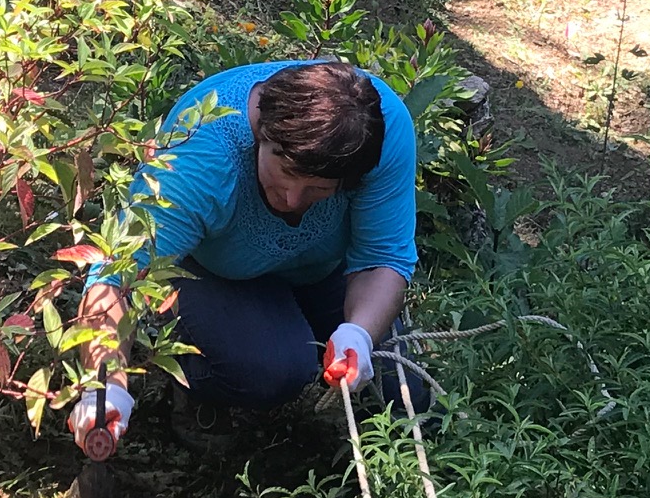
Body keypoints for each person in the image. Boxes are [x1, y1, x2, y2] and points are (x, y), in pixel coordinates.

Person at [67, 58, 419, 451]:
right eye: (283, 174)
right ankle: (197, 381)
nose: (292, 200)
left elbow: (382, 258)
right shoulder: (202, 158)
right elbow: (116, 277)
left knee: (407, 395)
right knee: (271, 369)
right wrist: (106, 386)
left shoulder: (380, 134)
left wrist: (359, 333)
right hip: (212, 271)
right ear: (262, 133)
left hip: (321, 271)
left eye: (319, 190)